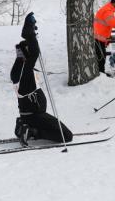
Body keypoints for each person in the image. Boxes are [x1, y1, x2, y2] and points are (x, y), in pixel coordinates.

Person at [10, 13, 73, 145]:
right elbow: (34, 53)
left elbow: (30, 53)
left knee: (53, 127)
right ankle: (32, 132)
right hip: (36, 116)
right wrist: (30, 33)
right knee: (67, 136)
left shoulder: (18, 69)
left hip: (28, 115)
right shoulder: (25, 72)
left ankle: (23, 127)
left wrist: (28, 40)